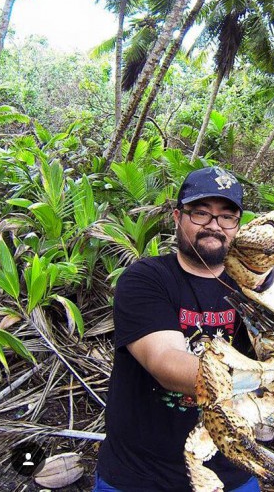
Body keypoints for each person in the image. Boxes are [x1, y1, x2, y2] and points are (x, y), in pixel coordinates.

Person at [94, 167, 260, 492]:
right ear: (177, 217)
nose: (214, 225)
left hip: (231, 470)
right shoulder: (146, 278)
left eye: (227, 216)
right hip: (139, 476)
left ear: (238, 226)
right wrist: (268, 378)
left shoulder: (256, 288)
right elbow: (166, 363)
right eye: (200, 213)